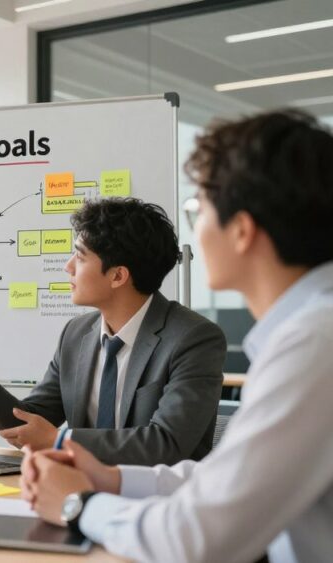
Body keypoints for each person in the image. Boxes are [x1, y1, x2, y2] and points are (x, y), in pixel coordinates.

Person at [21, 109, 333, 563]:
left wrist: (79, 505)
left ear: (242, 230)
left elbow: (197, 539)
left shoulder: (313, 343)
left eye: (199, 210)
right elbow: (226, 481)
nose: (196, 230)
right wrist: (112, 480)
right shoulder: (307, 331)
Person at [0, 197, 226, 465]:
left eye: (80, 257)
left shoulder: (193, 338)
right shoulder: (77, 333)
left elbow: (166, 445)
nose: (68, 266)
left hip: (156, 505)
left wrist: (61, 441)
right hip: (75, 491)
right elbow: (31, 423)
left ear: (118, 276)